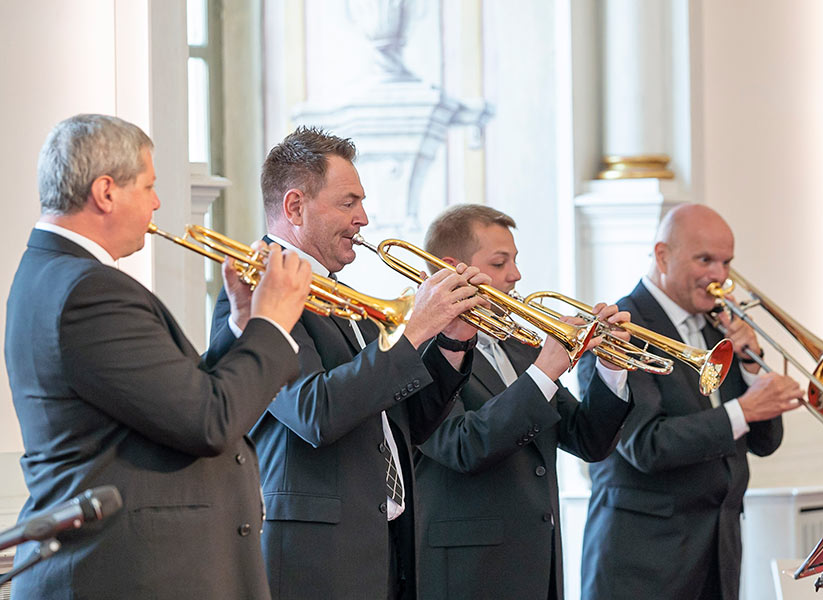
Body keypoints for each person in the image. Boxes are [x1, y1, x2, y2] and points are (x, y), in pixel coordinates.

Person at [5, 114, 312, 599]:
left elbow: (175, 399)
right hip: (129, 573)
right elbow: (209, 420)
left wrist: (242, 324)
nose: (157, 202)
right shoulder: (89, 289)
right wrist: (273, 323)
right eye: (148, 186)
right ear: (105, 192)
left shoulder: (58, 273)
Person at [209, 127, 488, 599]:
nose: (363, 218)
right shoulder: (264, 289)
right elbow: (315, 413)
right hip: (313, 560)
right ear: (295, 207)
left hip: (384, 547)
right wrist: (416, 329)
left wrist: (451, 344)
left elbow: (403, 421)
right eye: (348, 202)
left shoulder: (338, 290)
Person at [578, 203, 804, 600]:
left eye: (726, 262)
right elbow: (646, 446)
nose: (719, 275)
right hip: (643, 564)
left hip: (718, 554)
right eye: (705, 260)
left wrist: (752, 367)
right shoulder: (621, 328)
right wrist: (744, 409)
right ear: (663, 255)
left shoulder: (719, 326)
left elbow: (765, 442)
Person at [412, 204, 634, 600]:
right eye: (500, 263)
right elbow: (462, 447)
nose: (516, 275)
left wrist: (611, 369)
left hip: (538, 565)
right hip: (467, 573)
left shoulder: (517, 346)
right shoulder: (417, 347)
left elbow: (588, 440)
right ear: (450, 267)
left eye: (514, 260)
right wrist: (546, 370)